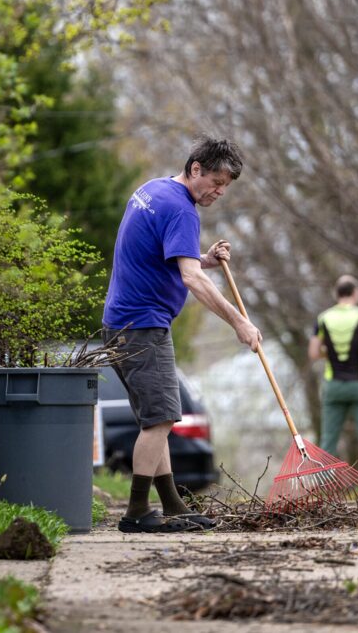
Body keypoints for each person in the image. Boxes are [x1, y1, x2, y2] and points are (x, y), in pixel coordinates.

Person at [103, 135, 261, 533]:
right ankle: (137, 512)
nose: (220, 192)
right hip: (142, 326)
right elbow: (190, 279)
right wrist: (239, 322)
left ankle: (173, 505)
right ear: (195, 169)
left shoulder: (153, 190)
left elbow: (167, 258)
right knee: (161, 421)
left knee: (157, 421)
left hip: (121, 323)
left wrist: (203, 259)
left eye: (226, 186)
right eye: (217, 182)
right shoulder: (183, 211)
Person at [308, 275, 358, 483]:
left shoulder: (324, 318)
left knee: (329, 438)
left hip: (334, 385)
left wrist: (329, 354)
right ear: (356, 293)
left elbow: (314, 352)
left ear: (336, 294)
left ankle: (322, 485)